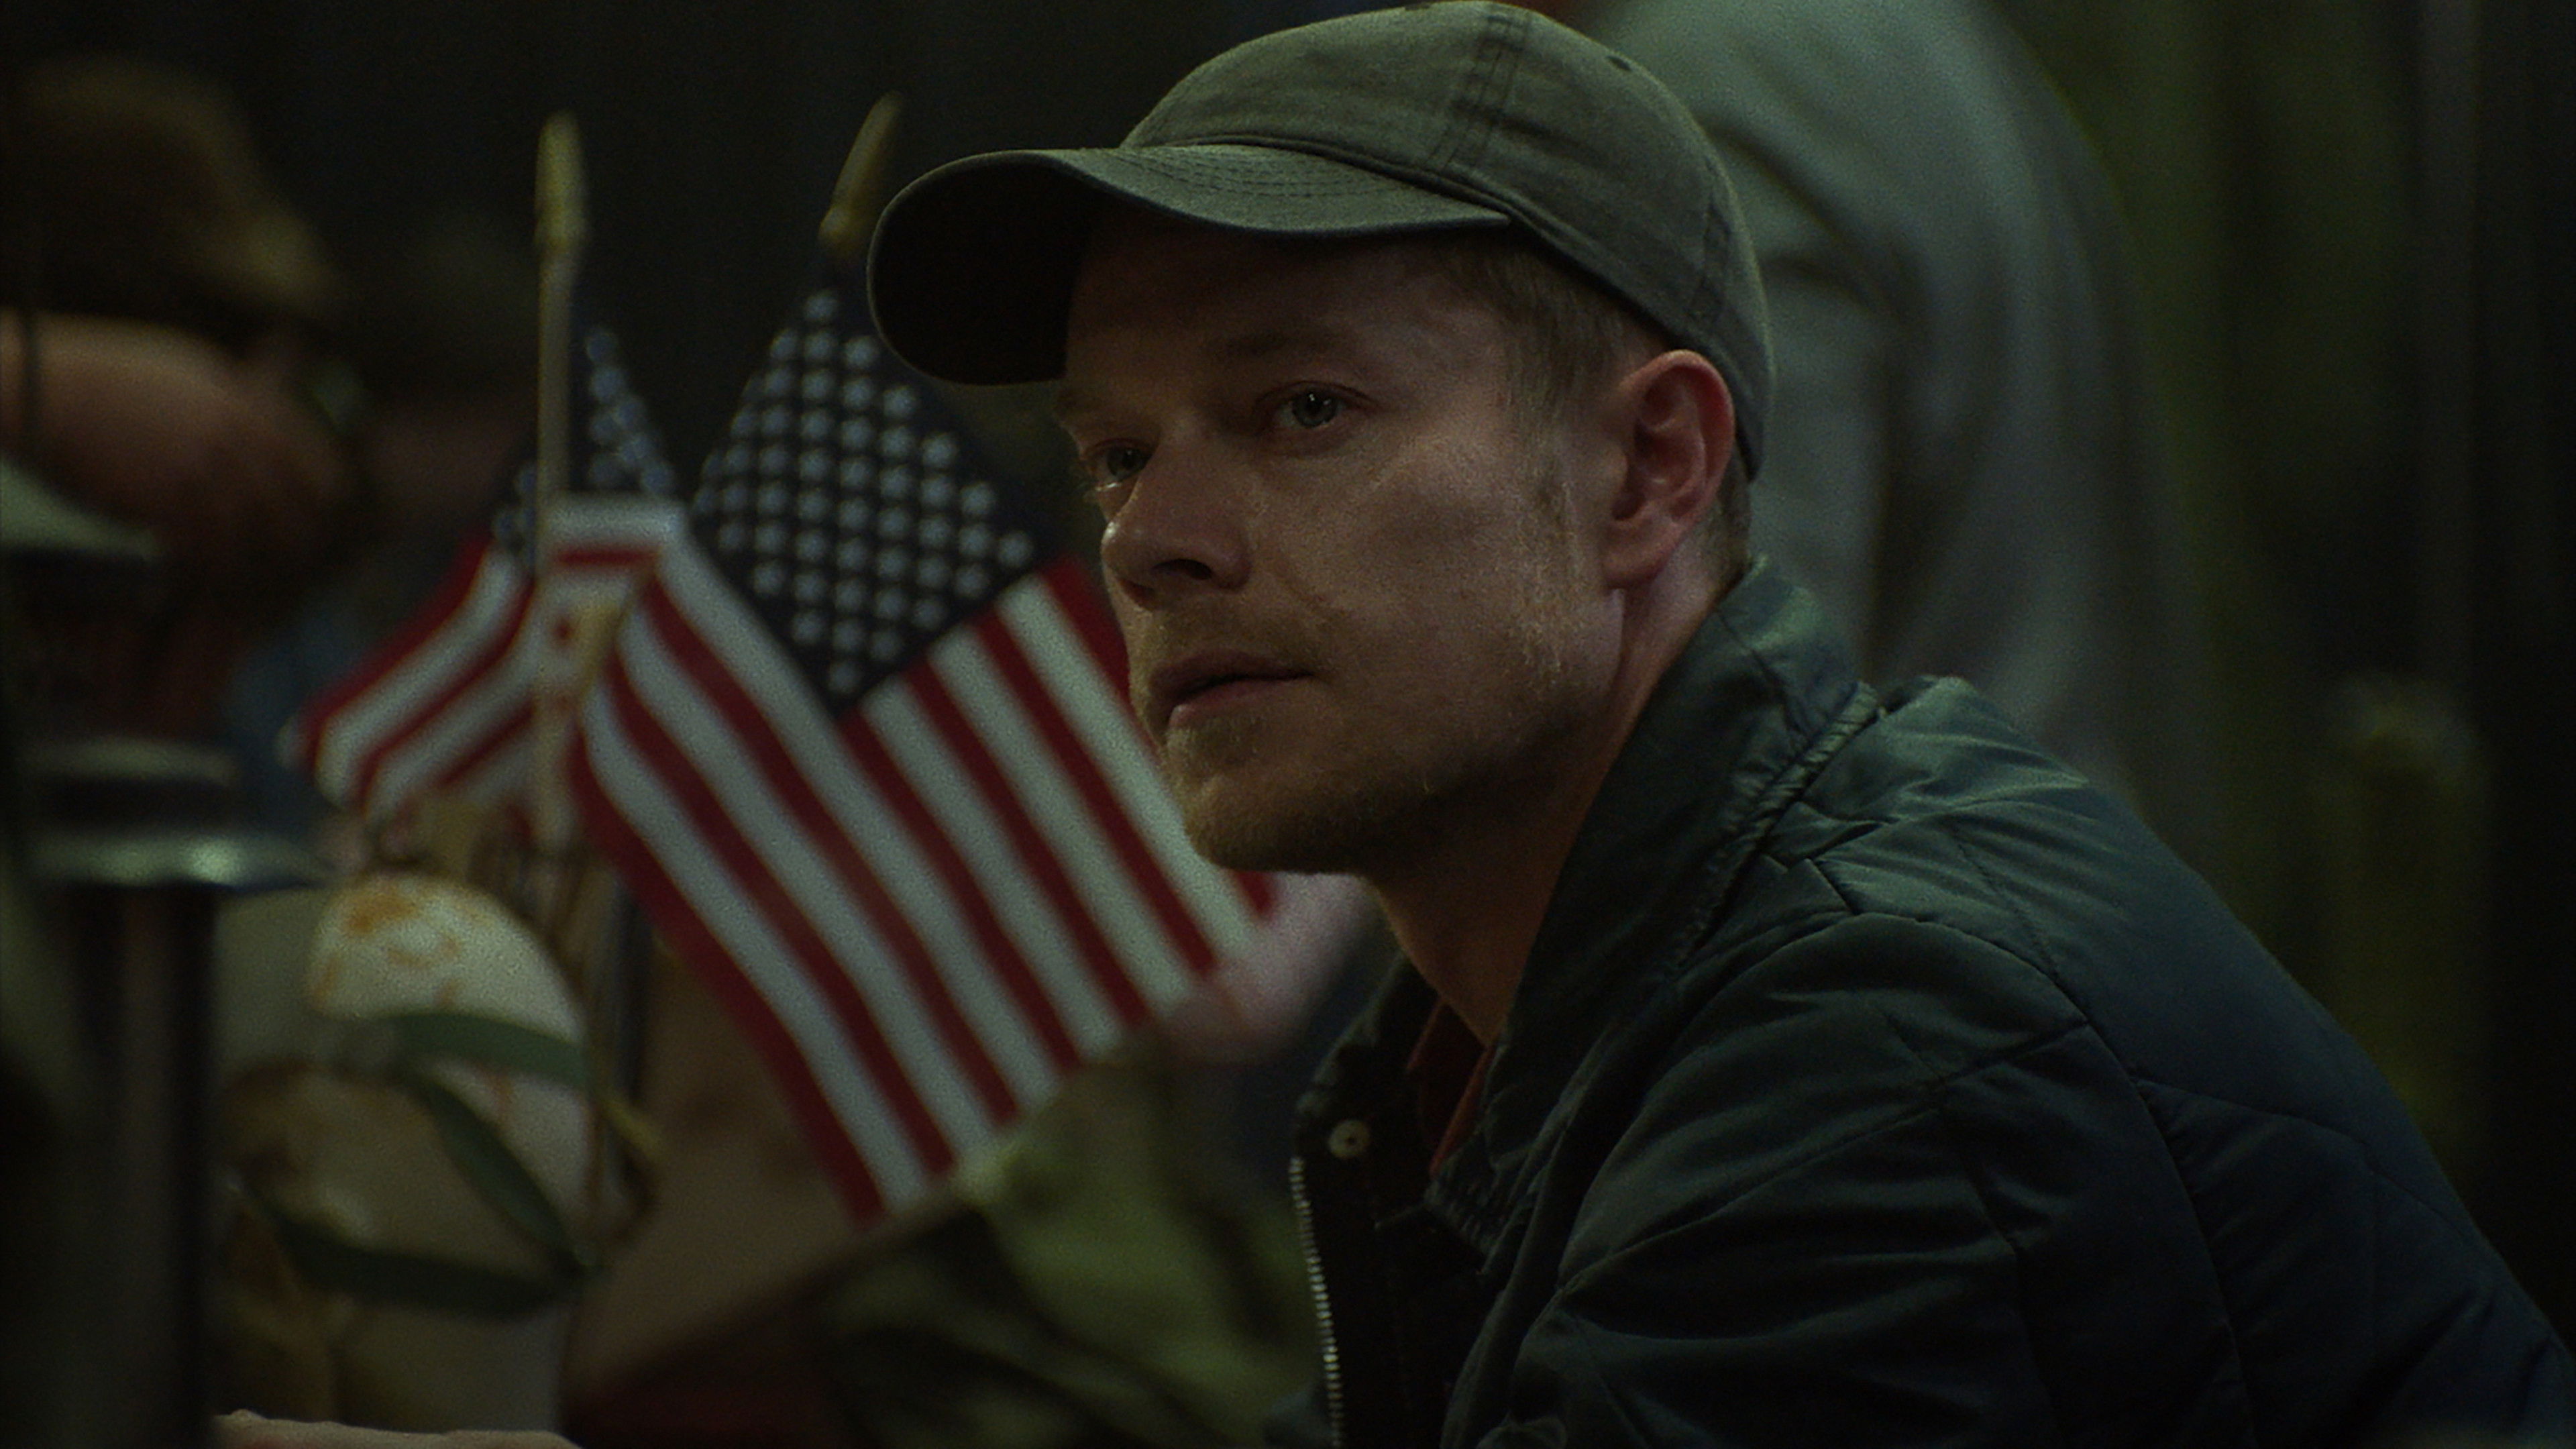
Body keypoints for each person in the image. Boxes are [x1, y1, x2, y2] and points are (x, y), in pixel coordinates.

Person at [853, 3, 2575, 1443]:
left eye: (1303, 408)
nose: (1148, 541)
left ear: (1650, 470)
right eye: (1118, 455)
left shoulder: (1872, 1056)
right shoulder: (1552, 1008)